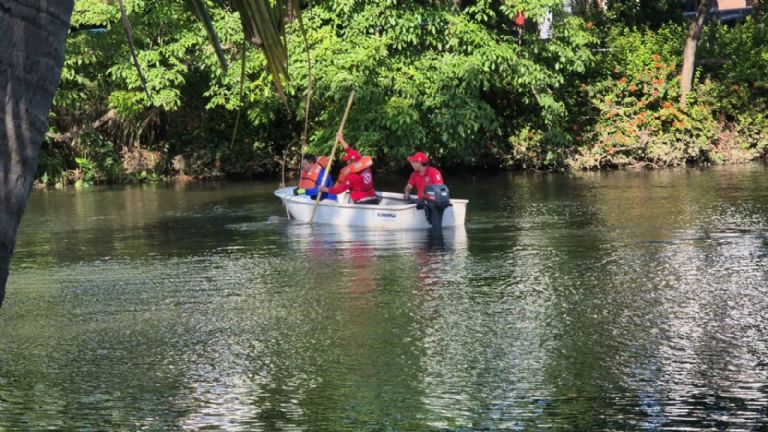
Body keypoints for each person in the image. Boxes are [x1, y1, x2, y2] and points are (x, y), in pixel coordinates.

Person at [319, 132, 378, 205]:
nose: (346, 162)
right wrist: (341, 140)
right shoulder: (367, 168)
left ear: (352, 162)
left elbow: (339, 190)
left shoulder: (351, 177)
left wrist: (325, 189)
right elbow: (351, 151)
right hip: (374, 199)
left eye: (347, 160)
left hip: (362, 203)